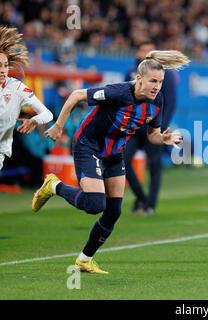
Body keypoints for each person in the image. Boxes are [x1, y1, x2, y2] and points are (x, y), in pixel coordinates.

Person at [32, 50, 189, 274]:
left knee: (114, 211)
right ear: (139, 79)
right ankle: (54, 185)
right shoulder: (118, 92)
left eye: (161, 82)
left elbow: (152, 135)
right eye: (153, 81)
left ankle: (84, 259)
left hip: (115, 154)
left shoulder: (158, 101)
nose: (157, 86)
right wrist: (59, 125)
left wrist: (162, 138)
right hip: (89, 147)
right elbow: (76, 95)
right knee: (96, 205)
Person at [123, 41, 179, 216]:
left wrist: (160, 128)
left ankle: (150, 205)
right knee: (123, 160)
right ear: (137, 53)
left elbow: (169, 103)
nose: (145, 52)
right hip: (134, 127)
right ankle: (141, 197)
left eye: (149, 50)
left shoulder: (164, 75)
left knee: (154, 166)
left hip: (154, 128)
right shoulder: (131, 73)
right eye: (142, 49)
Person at [0, 26, 53, 171]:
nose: (3, 70)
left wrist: (34, 120)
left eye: (5, 66)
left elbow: (47, 114)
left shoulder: (16, 87)